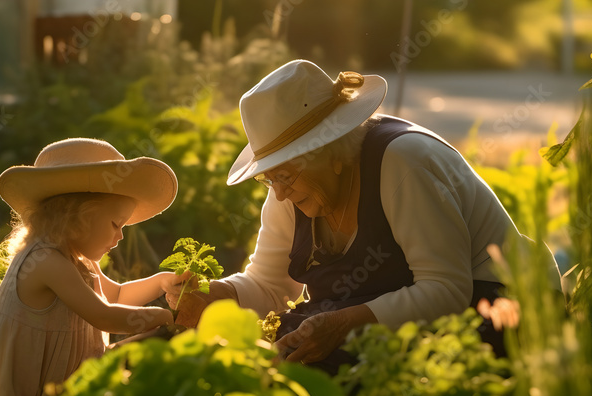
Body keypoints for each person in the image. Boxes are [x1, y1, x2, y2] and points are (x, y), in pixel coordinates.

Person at [165, 60, 561, 369]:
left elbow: (446, 290)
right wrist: (218, 295)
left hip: (497, 307)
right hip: (407, 323)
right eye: (269, 178)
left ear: (332, 151)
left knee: (310, 366)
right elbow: (269, 287)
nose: (279, 192)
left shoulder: (403, 163)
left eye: (284, 174)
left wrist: (342, 324)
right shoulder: (289, 189)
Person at [0, 138, 187, 396]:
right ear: (78, 216)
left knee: (148, 352)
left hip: (52, 394)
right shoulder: (45, 261)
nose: (120, 237)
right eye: (116, 224)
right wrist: (162, 318)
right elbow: (104, 315)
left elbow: (114, 295)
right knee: (153, 344)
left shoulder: (77, 259)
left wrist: (160, 282)